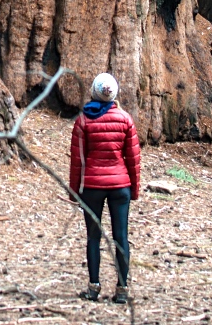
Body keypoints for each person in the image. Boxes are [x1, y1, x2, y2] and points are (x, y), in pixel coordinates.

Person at [69, 73, 141, 304]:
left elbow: (77, 160)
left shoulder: (83, 121)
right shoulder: (125, 119)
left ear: (93, 91)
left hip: (92, 186)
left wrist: (74, 190)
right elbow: (133, 159)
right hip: (121, 187)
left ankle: (93, 287)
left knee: (93, 236)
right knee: (121, 236)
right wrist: (135, 189)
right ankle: (122, 289)